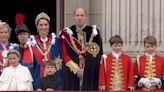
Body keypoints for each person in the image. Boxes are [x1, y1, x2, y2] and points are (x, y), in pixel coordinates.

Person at [60, 7, 103, 90]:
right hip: (72, 73)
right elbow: (64, 54)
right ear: (74, 17)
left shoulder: (94, 32)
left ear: (85, 17)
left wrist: (86, 70)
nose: (79, 18)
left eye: (82, 15)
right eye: (77, 15)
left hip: (90, 73)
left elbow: (98, 54)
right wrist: (76, 69)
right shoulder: (68, 33)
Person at [28, 12, 63, 88]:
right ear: (37, 27)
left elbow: (59, 62)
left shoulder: (55, 41)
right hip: (37, 80)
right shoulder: (31, 42)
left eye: (45, 24)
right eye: (40, 25)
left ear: (49, 26)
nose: (43, 27)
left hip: (54, 81)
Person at [15, 13, 40, 90]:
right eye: (20, 35)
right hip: (16, 83)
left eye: (25, 34)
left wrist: (36, 86)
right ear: (17, 37)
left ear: (28, 35)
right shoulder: (14, 50)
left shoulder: (33, 49)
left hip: (29, 83)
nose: (23, 37)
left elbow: (37, 69)